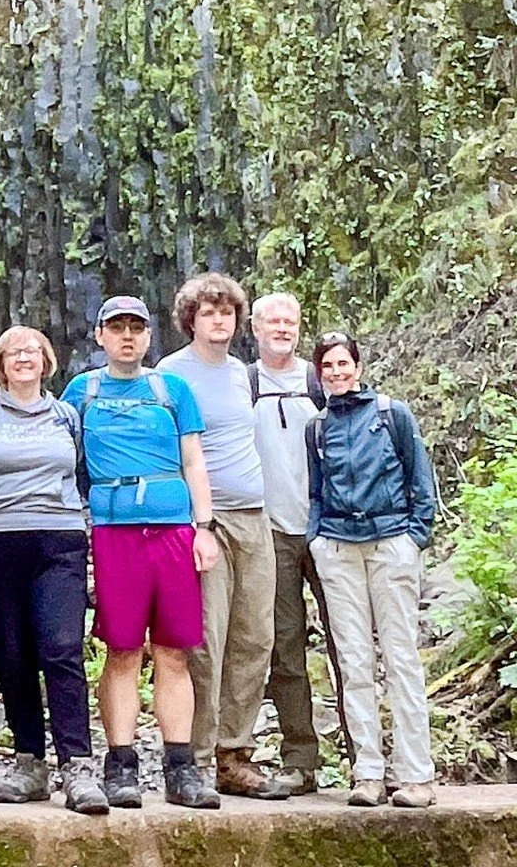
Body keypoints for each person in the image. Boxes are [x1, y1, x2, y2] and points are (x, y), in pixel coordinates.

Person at [61, 295, 221, 810]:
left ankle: (181, 767)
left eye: (136, 328)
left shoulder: (171, 389)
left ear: (150, 337)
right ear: (100, 336)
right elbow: (48, 438)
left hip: (173, 527)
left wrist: (205, 527)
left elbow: (194, 460)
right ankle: (121, 765)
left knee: (175, 650)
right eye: (117, 328)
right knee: (123, 648)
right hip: (113, 532)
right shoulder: (81, 392)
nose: (127, 336)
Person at [0, 327, 108, 815]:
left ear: (47, 361)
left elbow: (83, 476)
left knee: (61, 648)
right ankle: (30, 762)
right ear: (0, 364)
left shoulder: (66, 415)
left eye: (33, 352)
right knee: (13, 655)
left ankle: (79, 765)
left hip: (58, 540)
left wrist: (89, 538)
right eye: (14, 352)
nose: (25, 358)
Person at [157, 273, 287, 799]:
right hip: (200, 522)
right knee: (205, 639)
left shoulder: (242, 374)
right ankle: (200, 756)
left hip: (255, 516)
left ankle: (237, 753)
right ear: (191, 318)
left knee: (255, 635)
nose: (219, 320)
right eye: (209, 312)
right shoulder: (169, 374)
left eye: (227, 312)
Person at [307, 331, 437, 809]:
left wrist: (413, 535)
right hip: (339, 549)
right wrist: (315, 538)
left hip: (390, 543)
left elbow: (421, 477)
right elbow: (316, 490)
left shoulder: (390, 414)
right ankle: (367, 772)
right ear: (318, 375)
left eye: (344, 364)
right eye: (328, 367)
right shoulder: (316, 428)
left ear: (357, 367)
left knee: (401, 658)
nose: (337, 373)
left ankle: (417, 775)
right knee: (354, 661)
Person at [249, 292, 350, 794]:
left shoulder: (323, 381)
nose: (281, 328)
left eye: (290, 321)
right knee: (284, 651)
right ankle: (300, 760)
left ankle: (366, 758)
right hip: (270, 533)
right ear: (255, 327)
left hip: (329, 530)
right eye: (272, 320)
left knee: (349, 645)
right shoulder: (242, 383)